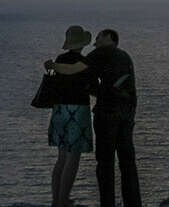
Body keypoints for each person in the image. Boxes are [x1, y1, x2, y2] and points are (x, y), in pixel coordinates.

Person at [45, 29, 141, 207]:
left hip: (104, 112)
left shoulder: (98, 53)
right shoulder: (125, 57)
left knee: (104, 163)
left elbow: (74, 70)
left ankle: (104, 204)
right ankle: (133, 204)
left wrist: (53, 66)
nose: (95, 43)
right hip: (127, 112)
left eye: (97, 39)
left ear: (108, 37)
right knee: (127, 161)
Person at [48, 26, 96, 207]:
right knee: (73, 157)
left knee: (61, 157)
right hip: (77, 110)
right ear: (82, 44)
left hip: (59, 109)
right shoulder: (84, 62)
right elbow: (92, 88)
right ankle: (63, 201)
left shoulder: (60, 60)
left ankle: (56, 200)